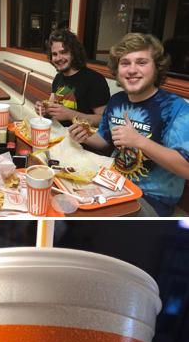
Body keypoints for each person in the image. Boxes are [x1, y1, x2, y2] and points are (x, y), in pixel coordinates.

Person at [69, 33, 189, 217]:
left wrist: (139, 141)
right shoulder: (117, 100)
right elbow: (104, 140)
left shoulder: (176, 108)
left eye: (141, 62)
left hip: (150, 200)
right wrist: (84, 135)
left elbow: (186, 168)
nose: (132, 70)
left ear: (157, 68)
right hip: (111, 184)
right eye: (125, 63)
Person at [35, 29, 110, 128]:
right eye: (54, 54)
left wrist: (70, 115)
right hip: (58, 132)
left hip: (82, 140)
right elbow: (51, 110)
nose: (58, 58)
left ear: (74, 53)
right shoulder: (58, 77)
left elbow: (104, 120)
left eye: (64, 52)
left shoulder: (94, 80)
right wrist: (44, 111)